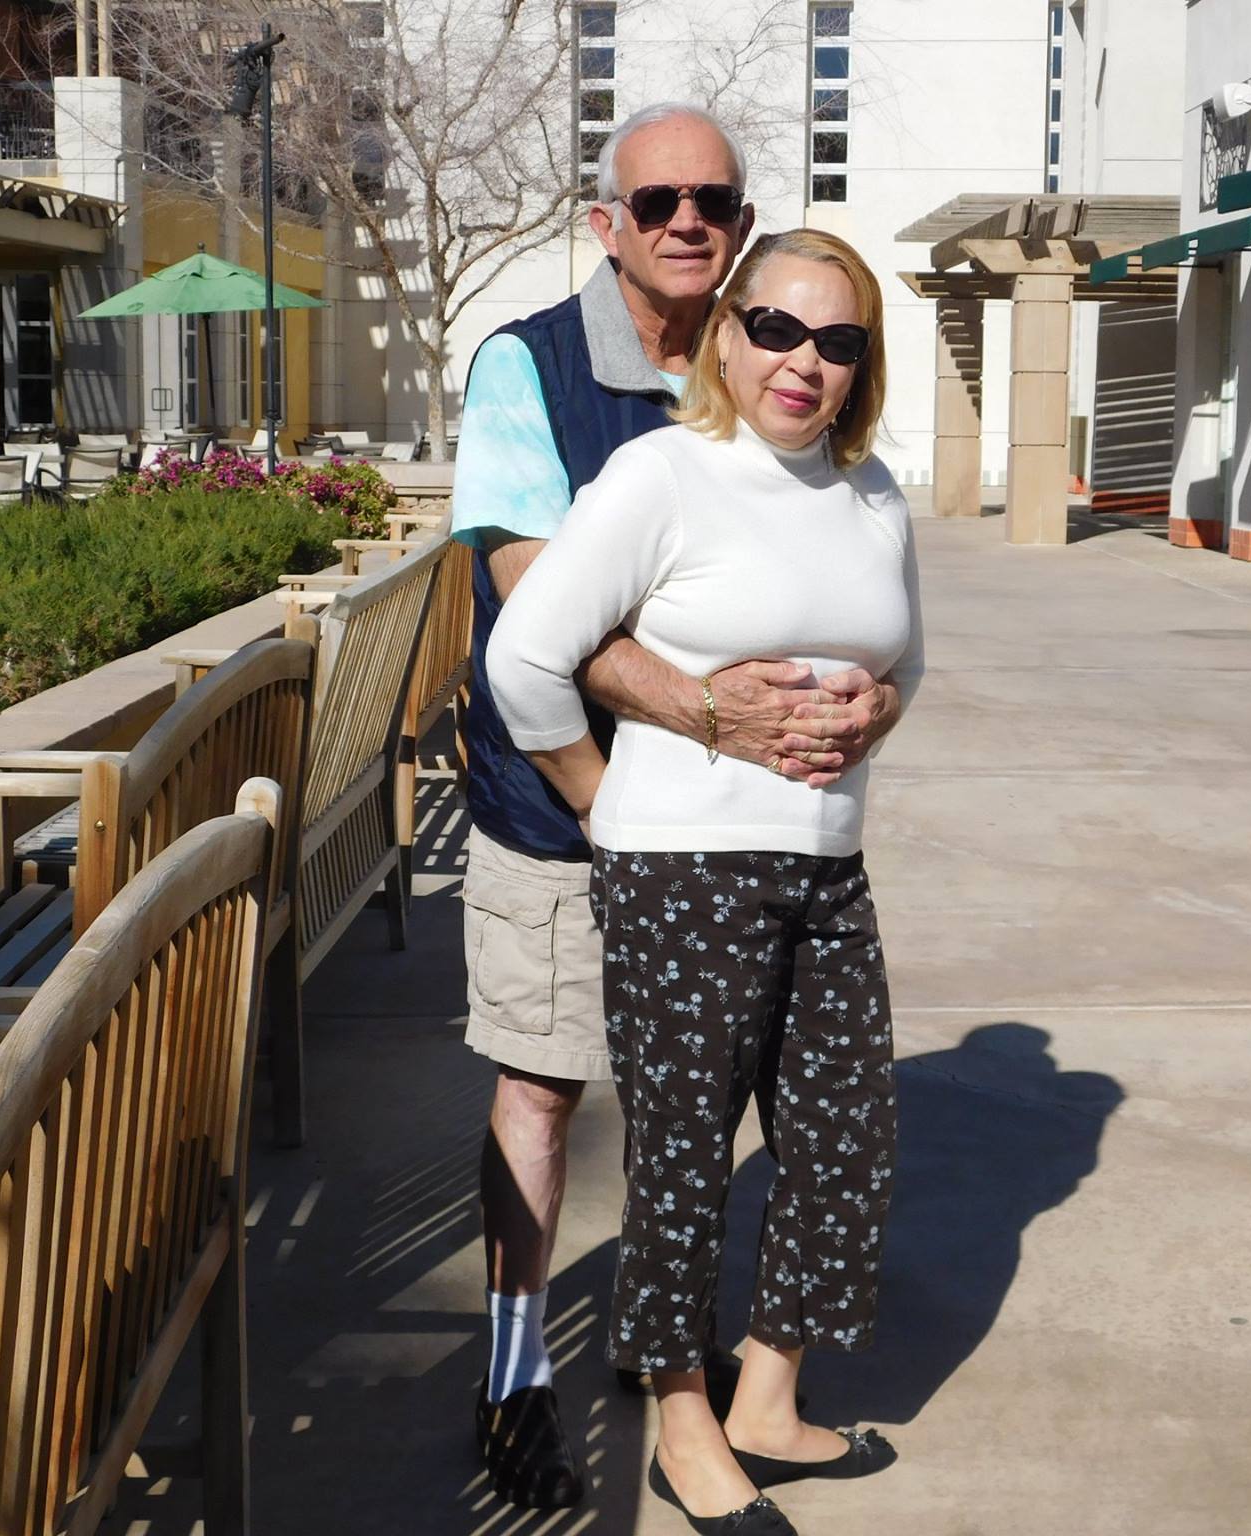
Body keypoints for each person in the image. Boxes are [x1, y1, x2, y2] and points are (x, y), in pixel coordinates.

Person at [451, 106, 904, 1510]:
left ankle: (721, 1385)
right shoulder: (530, 369)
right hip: (565, 804)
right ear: (609, 223)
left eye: (713, 200)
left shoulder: (772, 372)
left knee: (770, 1127)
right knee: (547, 1091)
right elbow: (540, 607)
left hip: (763, 836)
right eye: (657, 202)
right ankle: (515, 1376)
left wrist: (860, 707)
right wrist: (696, 722)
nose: (687, 222)